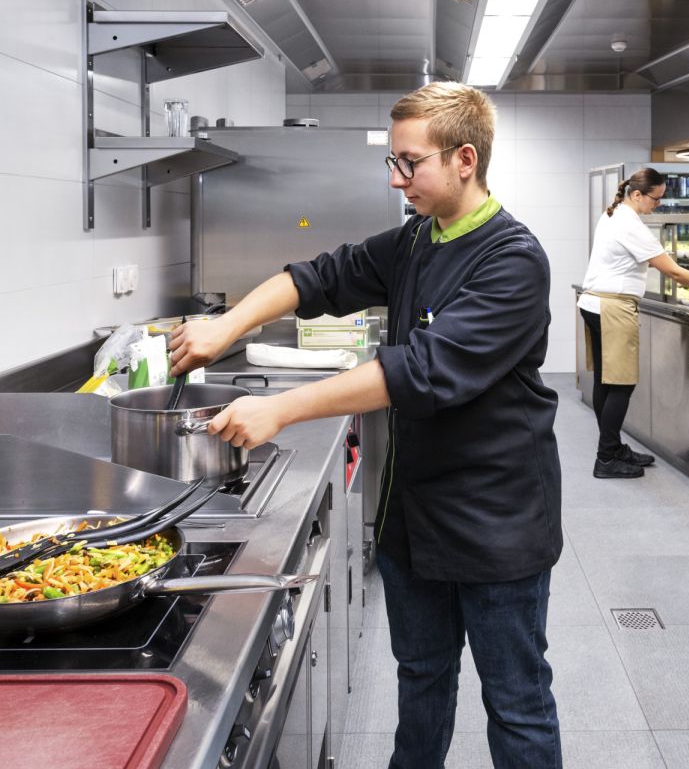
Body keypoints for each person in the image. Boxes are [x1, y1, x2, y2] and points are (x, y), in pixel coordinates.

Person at [169, 82, 563, 769]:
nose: (395, 178)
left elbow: (421, 370)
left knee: (516, 700)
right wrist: (227, 325)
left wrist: (280, 408)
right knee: (422, 678)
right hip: (415, 513)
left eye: (410, 162)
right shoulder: (415, 239)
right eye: (393, 161)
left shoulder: (513, 260)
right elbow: (319, 277)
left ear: (465, 159)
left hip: (496, 521)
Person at [578, 168, 689, 479]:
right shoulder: (630, 223)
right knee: (622, 383)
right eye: (656, 199)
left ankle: (613, 447)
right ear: (637, 195)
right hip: (613, 307)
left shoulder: (613, 214)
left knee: (606, 381)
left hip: (595, 303)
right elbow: (673, 271)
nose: (658, 204)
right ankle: (606, 458)